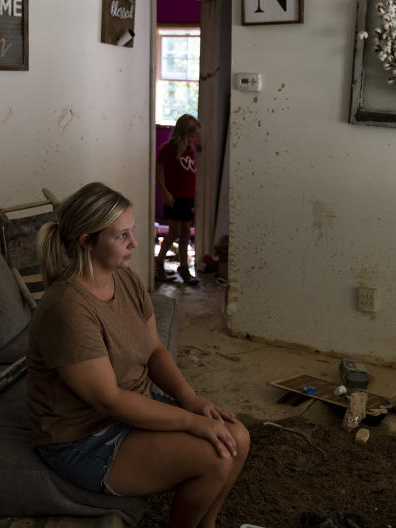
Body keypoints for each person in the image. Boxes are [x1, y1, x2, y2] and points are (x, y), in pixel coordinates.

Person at [27, 182, 250, 528]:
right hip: (83, 437)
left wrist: (190, 399)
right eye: (121, 236)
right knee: (216, 457)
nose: (134, 243)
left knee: (239, 437)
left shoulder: (126, 279)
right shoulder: (68, 308)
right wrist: (193, 422)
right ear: (87, 241)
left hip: (130, 408)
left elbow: (155, 349)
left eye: (133, 232)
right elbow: (109, 400)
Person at [156, 114, 201, 285]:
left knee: (185, 234)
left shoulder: (190, 150)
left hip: (188, 199)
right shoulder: (168, 148)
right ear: (182, 133)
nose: (193, 139)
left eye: (194, 137)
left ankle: (183, 267)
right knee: (173, 232)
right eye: (191, 136)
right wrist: (165, 192)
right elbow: (157, 171)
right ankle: (159, 261)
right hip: (174, 198)